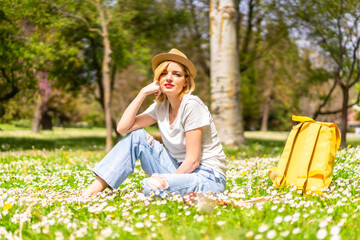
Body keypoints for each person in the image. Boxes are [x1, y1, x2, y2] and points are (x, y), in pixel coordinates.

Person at [82, 48, 227, 197]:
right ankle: (90, 192)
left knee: (152, 185)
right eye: (164, 73)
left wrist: (167, 181)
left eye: (176, 74)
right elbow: (123, 128)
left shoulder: (191, 105)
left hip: (207, 176)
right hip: (180, 170)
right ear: (158, 78)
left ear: (186, 81)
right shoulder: (161, 106)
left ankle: (176, 191)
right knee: (136, 136)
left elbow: (193, 161)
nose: (169, 78)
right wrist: (143, 93)